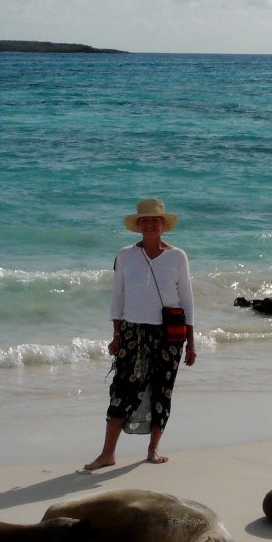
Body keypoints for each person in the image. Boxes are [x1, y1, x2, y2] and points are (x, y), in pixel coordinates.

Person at [83, 199, 196, 470]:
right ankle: (107, 454)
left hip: (169, 334)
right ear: (138, 225)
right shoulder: (125, 255)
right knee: (122, 389)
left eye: (154, 220)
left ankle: (153, 450)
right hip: (133, 331)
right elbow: (117, 296)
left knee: (162, 390)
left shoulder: (177, 256)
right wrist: (116, 334)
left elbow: (187, 300)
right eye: (144, 220)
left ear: (163, 225)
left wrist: (191, 343)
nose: (149, 224)